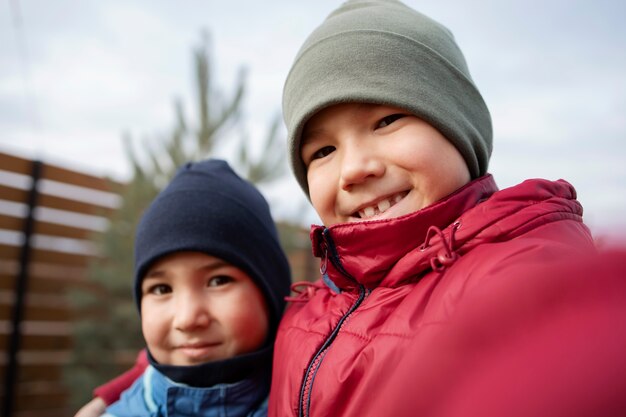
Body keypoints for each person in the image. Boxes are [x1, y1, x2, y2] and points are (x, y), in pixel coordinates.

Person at [80, 1, 626, 416]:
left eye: (386, 120)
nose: (354, 168)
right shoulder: (325, 301)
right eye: (322, 150)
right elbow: (211, 351)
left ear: (459, 130)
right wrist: (118, 394)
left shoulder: (519, 277)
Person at [78, 159, 291, 417]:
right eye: (161, 288)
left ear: (271, 294)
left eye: (218, 281)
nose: (187, 319)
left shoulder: (316, 400)